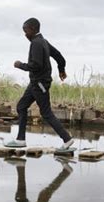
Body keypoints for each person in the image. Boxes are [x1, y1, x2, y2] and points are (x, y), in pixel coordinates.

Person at [5, 18, 74, 150]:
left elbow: (36, 65)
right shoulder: (43, 42)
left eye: (26, 31)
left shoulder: (36, 43)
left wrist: (20, 65)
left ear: (33, 29)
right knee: (21, 106)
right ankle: (20, 140)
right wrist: (61, 70)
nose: (25, 35)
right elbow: (59, 56)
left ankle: (67, 139)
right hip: (35, 83)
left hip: (40, 84)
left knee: (46, 112)